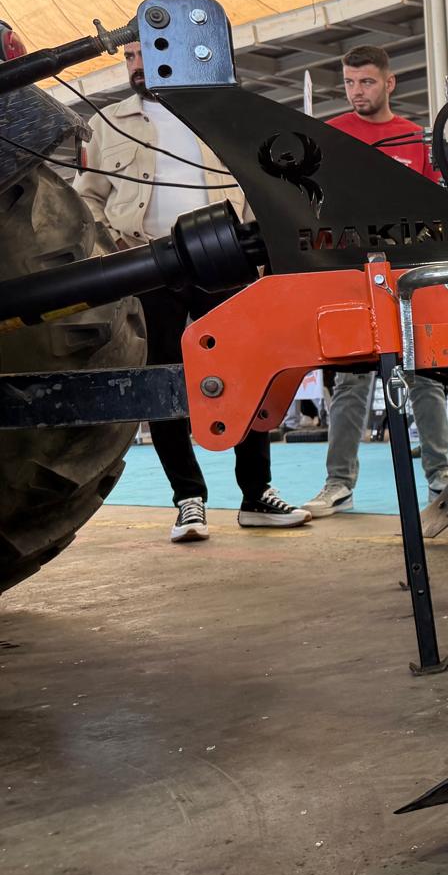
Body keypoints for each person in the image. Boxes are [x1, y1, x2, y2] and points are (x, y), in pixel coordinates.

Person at [74, 42, 310, 540]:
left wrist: (261, 252)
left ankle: (256, 494)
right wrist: (112, 247)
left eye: (144, 52)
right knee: (164, 382)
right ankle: (188, 500)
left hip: (225, 260)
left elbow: (257, 185)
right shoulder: (107, 123)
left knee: (248, 372)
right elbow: (86, 198)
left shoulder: (220, 115)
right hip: (146, 267)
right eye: (129, 56)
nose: (137, 65)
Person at [299, 46, 448, 518]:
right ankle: (338, 483)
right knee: (351, 381)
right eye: (349, 83)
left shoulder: (416, 138)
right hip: (352, 271)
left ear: (389, 83)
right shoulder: (331, 135)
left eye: (365, 82)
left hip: (408, 272)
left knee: (424, 374)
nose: (356, 92)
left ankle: (441, 479)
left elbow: (437, 204)